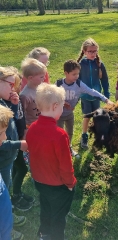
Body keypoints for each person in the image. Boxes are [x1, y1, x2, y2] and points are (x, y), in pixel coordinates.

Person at [26, 83, 77, 240]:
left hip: (39, 181)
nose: (62, 110)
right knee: (59, 215)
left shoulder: (32, 128)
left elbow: (32, 153)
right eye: (62, 106)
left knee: (46, 208)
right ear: (56, 106)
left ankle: (44, 234)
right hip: (58, 185)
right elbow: (65, 165)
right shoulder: (60, 135)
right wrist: (70, 183)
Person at [56, 60, 113, 157]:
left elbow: (92, 91)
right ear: (66, 73)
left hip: (70, 114)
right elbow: (52, 96)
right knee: (59, 134)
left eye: (78, 74)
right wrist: (63, 102)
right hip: (58, 115)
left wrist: (106, 100)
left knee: (69, 132)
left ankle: (69, 147)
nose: (77, 76)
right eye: (74, 74)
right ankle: (59, 151)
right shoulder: (59, 83)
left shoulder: (78, 84)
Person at [6, 68, 34, 212]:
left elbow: (19, 118)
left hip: (18, 140)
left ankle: (17, 194)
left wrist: (24, 131)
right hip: (10, 146)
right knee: (21, 169)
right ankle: (14, 197)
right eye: (11, 85)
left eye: (16, 85)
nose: (16, 88)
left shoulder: (12, 100)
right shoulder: (3, 104)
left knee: (19, 169)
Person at [77, 37, 110, 149]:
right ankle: (84, 135)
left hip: (97, 97)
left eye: (95, 51)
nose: (93, 53)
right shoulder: (80, 65)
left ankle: (97, 136)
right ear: (84, 51)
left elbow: (105, 80)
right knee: (87, 117)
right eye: (90, 51)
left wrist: (106, 94)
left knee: (97, 117)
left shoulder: (100, 64)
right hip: (85, 97)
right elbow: (77, 81)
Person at [20, 58, 46, 130]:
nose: (44, 78)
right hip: (31, 126)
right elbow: (21, 114)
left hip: (43, 122)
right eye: (41, 77)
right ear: (31, 78)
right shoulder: (25, 95)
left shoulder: (41, 87)